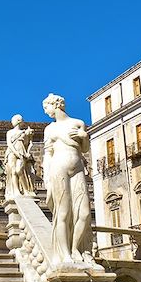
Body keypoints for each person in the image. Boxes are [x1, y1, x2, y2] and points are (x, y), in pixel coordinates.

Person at [42, 94, 91, 264]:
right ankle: (66, 255)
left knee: (84, 213)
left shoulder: (77, 123)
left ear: (55, 105)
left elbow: (84, 149)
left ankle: (76, 248)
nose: (45, 111)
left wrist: (84, 137)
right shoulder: (49, 129)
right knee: (63, 213)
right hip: (58, 167)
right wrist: (47, 178)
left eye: (46, 107)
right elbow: (47, 154)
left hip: (77, 168)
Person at [4, 114, 34, 199]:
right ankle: (16, 191)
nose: (12, 122)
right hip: (11, 152)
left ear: (18, 121)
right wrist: (15, 152)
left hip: (22, 152)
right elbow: (9, 144)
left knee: (19, 170)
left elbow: (29, 144)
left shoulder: (25, 133)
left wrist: (28, 152)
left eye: (13, 120)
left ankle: (26, 190)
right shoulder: (9, 132)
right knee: (13, 171)